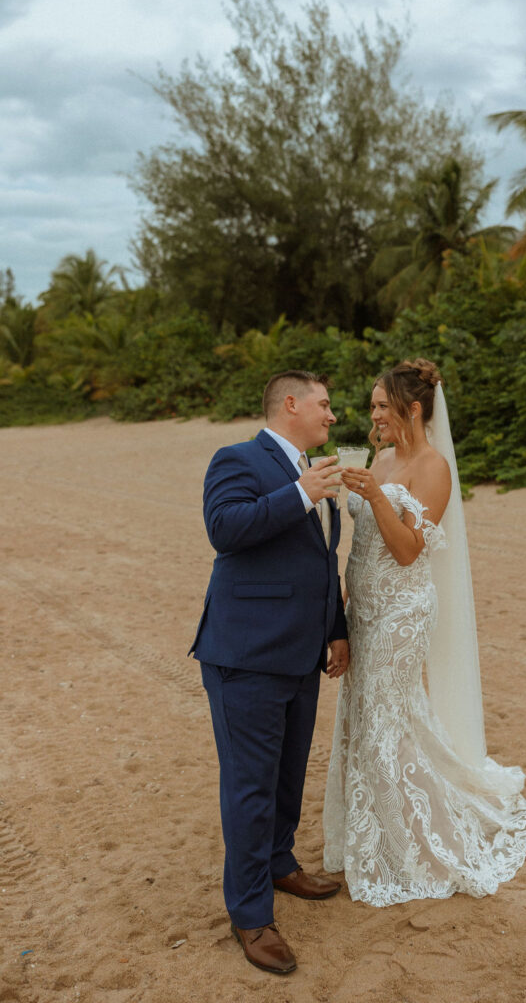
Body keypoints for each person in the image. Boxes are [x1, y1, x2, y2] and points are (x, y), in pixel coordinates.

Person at [323, 358, 526, 906]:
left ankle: (407, 843)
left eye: (380, 405)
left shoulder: (433, 468)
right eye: (371, 405)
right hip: (365, 607)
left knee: (387, 721)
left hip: (401, 613)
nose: (372, 415)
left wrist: (372, 495)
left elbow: (409, 549)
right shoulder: (382, 456)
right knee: (366, 715)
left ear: (412, 408)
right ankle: (369, 834)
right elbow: (366, 544)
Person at [190, 370, 349, 974]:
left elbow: (320, 559)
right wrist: (302, 493)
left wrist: (336, 629)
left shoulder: (314, 470)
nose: (333, 416)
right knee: (250, 787)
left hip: (300, 651)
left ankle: (280, 864)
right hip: (245, 656)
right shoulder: (236, 458)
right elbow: (224, 530)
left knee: (286, 777)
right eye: (325, 405)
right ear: (291, 404)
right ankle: (251, 916)